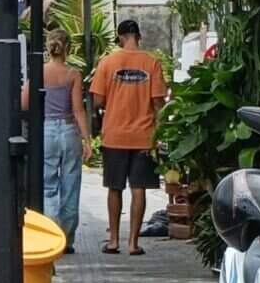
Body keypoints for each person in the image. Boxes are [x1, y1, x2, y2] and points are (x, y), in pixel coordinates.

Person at [90, 18, 168, 256]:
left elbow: (98, 100)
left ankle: (113, 240)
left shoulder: (107, 63)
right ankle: (133, 243)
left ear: (120, 37)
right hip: (144, 136)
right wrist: (160, 131)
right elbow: (158, 103)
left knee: (114, 188)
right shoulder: (152, 62)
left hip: (114, 135)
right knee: (139, 188)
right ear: (138, 37)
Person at [36, 29, 91, 252]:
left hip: (46, 130)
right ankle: (67, 239)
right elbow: (78, 110)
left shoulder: (38, 72)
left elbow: (24, 100)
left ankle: (51, 238)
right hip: (69, 132)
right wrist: (87, 139)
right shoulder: (73, 75)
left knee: (48, 187)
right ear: (68, 47)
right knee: (70, 186)